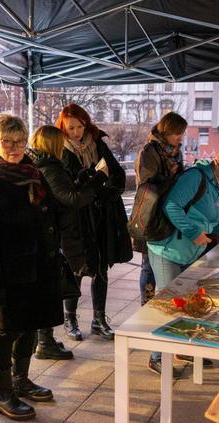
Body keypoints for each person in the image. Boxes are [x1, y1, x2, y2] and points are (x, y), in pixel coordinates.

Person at [0, 114, 65, 421]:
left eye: (19, 141)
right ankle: (2, 393)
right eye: (7, 141)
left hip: (39, 266)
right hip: (9, 270)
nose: (14, 148)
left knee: (29, 324)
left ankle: (20, 380)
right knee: (5, 332)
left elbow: (53, 213)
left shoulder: (34, 174)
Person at [147, 148, 219, 369]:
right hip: (168, 250)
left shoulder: (215, 186)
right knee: (168, 302)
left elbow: (211, 223)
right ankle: (157, 357)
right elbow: (171, 206)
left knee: (187, 302)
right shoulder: (196, 177)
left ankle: (183, 350)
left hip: (185, 252)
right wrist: (194, 233)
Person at [26, 125, 109, 359]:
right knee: (56, 287)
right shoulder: (49, 167)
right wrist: (98, 179)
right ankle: (45, 342)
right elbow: (71, 199)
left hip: (57, 232)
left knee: (52, 289)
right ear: (52, 144)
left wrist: (81, 177)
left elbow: (63, 192)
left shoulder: (48, 165)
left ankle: (46, 340)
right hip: (60, 234)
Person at [55, 103, 133, 341]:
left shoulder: (96, 142)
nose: (76, 132)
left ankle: (99, 319)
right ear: (63, 127)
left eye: (80, 126)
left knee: (100, 267)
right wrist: (95, 180)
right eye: (71, 127)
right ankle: (70, 318)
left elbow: (117, 173)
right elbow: (68, 187)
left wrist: (105, 189)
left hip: (100, 215)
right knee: (76, 267)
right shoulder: (61, 149)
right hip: (77, 219)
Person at [132, 112, 187, 375]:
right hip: (152, 218)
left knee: (162, 276)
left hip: (168, 219)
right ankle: (148, 313)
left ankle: (164, 338)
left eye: (181, 134)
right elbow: (148, 184)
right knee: (149, 270)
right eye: (177, 133)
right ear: (166, 130)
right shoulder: (150, 150)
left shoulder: (174, 151)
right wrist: (175, 178)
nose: (180, 138)